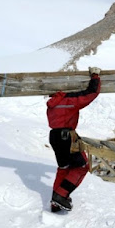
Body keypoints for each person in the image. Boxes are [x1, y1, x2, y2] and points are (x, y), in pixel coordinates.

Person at [46, 67, 101, 212]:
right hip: (67, 137)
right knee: (82, 167)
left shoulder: (52, 103)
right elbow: (91, 94)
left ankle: (55, 202)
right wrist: (95, 76)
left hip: (55, 137)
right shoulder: (69, 100)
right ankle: (60, 195)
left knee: (63, 168)